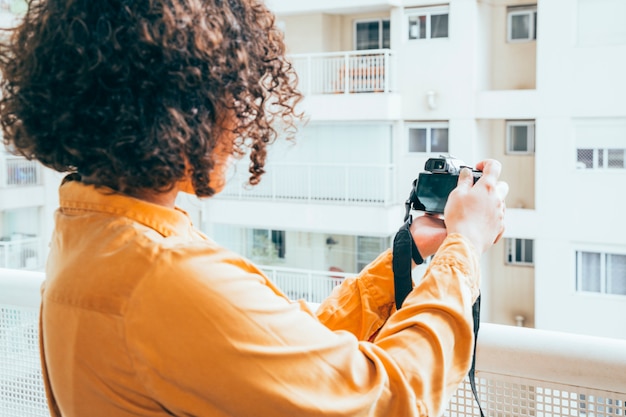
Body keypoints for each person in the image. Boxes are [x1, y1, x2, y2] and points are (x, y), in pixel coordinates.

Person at [0, 1, 507, 416]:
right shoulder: (165, 277)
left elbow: (285, 349)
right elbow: (390, 398)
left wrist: (409, 251)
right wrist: (466, 246)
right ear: (183, 110)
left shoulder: (93, 238)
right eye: (233, 95)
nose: (241, 123)